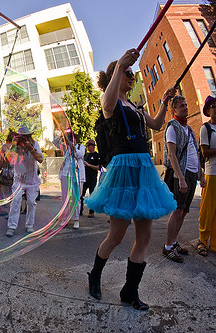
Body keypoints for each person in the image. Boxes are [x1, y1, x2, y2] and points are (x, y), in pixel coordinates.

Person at [84, 49, 176, 311]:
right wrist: (121, 63)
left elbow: (157, 125)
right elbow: (108, 106)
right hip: (124, 171)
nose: (132, 77)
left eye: (131, 74)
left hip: (142, 169)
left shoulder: (135, 106)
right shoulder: (110, 99)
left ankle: (129, 290)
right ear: (117, 74)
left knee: (144, 236)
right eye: (128, 73)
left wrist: (165, 102)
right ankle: (95, 275)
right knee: (116, 235)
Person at [162, 93, 205, 263]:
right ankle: (167, 247)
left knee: (184, 211)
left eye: (186, 105)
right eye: (182, 106)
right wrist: (180, 178)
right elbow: (172, 155)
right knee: (178, 210)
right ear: (174, 110)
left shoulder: (188, 128)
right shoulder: (173, 127)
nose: (186, 108)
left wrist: (200, 175)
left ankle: (173, 242)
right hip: (182, 173)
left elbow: (194, 151)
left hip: (193, 173)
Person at [5, 126, 44, 237]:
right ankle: (11, 227)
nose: (24, 139)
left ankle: (29, 225)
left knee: (31, 202)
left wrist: (30, 147)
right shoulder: (16, 146)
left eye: (27, 137)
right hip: (19, 179)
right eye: (23, 137)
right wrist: (13, 145)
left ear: (30, 136)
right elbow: (8, 160)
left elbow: (40, 159)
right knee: (15, 202)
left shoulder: (35, 144)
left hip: (32, 180)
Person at [198, 95, 216, 256]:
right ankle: (202, 241)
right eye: (213, 106)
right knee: (207, 210)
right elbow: (204, 152)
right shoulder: (206, 128)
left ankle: (215, 244)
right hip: (211, 173)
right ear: (208, 111)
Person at [58, 132, 85, 229]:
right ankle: (65, 218)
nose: (69, 141)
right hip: (66, 175)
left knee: (76, 198)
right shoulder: (65, 148)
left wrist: (72, 146)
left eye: (71, 138)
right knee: (66, 198)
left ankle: (76, 219)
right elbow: (55, 142)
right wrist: (61, 135)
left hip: (77, 176)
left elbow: (79, 155)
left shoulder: (81, 147)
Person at [81, 139, 101, 218]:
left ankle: (91, 212)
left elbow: (98, 167)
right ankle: (80, 210)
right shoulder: (86, 155)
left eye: (89, 146)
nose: (88, 147)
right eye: (87, 146)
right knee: (81, 194)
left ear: (93, 146)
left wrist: (89, 165)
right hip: (85, 177)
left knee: (92, 195)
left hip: (92, 178)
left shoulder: (96, 155)